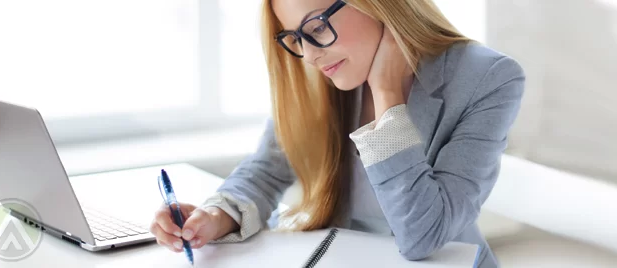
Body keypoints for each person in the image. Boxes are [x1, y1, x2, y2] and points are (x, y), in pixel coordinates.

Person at [149, 0, 525, 267]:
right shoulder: (321, 74)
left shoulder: (488, 78)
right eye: (295, 38)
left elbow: (423, 237)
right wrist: (215, 216)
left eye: (316, 28)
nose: (310, 55)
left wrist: (387, 96)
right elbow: (266, 169)